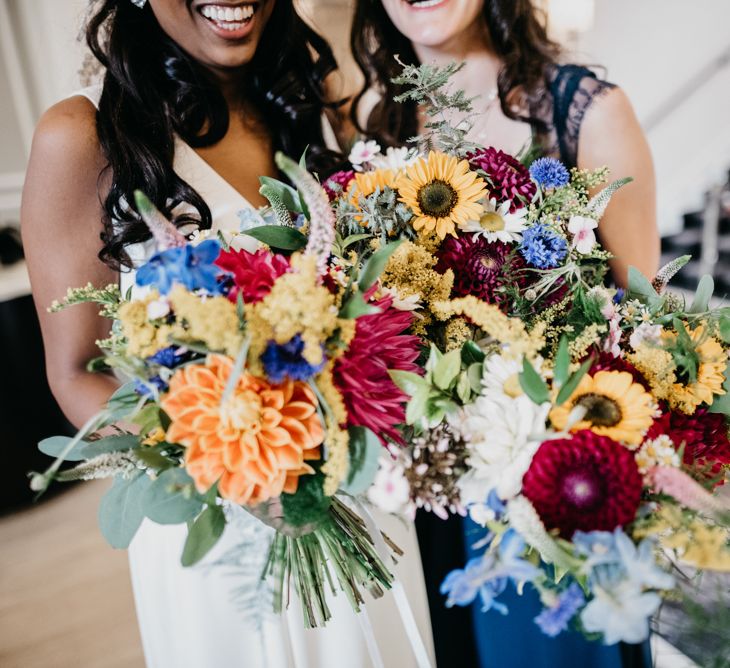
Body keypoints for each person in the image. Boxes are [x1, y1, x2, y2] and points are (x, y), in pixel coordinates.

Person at [21, 1, 433, 666]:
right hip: (222, 520)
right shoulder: (85, 134)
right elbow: (74, 373)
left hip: (360, 488)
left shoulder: (312, 100)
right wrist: (232, 465)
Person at [346, 0, 660, 666]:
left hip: (552, 493)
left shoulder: (585, 111)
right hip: (429, 497)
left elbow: (642, 329)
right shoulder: (377, 128)